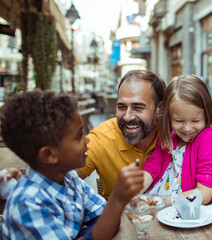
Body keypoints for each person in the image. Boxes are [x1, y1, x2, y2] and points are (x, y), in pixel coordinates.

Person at [0, 90, 144, 239]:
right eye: (78, 136)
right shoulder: (28, 204)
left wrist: (84, 235)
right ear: (49, 155)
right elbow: (107, 220)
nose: (87, 139)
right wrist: (117, 200)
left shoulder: (69, 178)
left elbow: (106, 218)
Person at [76, 70, 166, 199]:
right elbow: (60, 179)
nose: (128, 117)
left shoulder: (175, 135)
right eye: (122, 107)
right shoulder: (102, 138)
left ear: (160, 108)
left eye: (138, 107)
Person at [141, 75, 212, 204]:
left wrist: (158, 201)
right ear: (169, 117)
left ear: (207, 114)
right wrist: (135, 189)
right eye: (179, 121)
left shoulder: (208, 138)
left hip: (184, 211)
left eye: (195, 120)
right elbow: (152, 166)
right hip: (156, 204)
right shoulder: (170, 135)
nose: (187, 128)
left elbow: (204, 194)